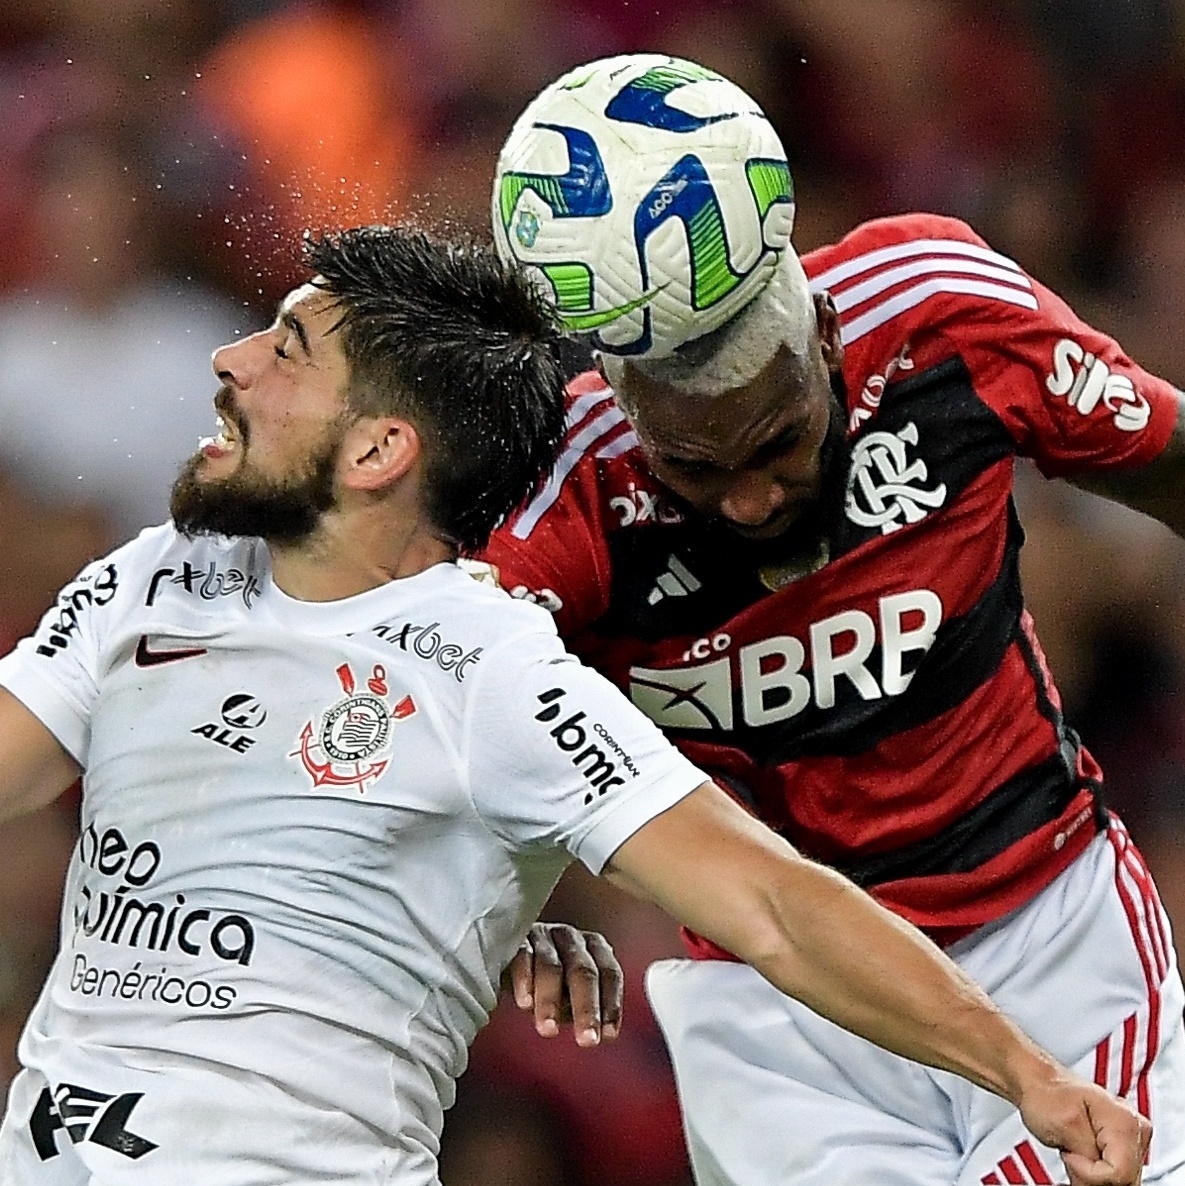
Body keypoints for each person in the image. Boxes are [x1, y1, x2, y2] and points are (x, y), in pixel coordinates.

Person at [0, 225, 1150, 1185]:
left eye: (286, 346)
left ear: (378, 449)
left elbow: (770, 900)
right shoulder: (149, 577)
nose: (230, 358)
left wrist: (1026, 1070)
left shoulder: (489, 663)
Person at [480, 58, 1185, 1185]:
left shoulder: (943, 312)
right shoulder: (561, 497)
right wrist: (499, 907)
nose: (751, 497)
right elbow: (433, 714)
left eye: (776, 442)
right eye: (695, 470)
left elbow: (1174, 466)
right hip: (777, 1018)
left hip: (1052, 930)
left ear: (819, 335)